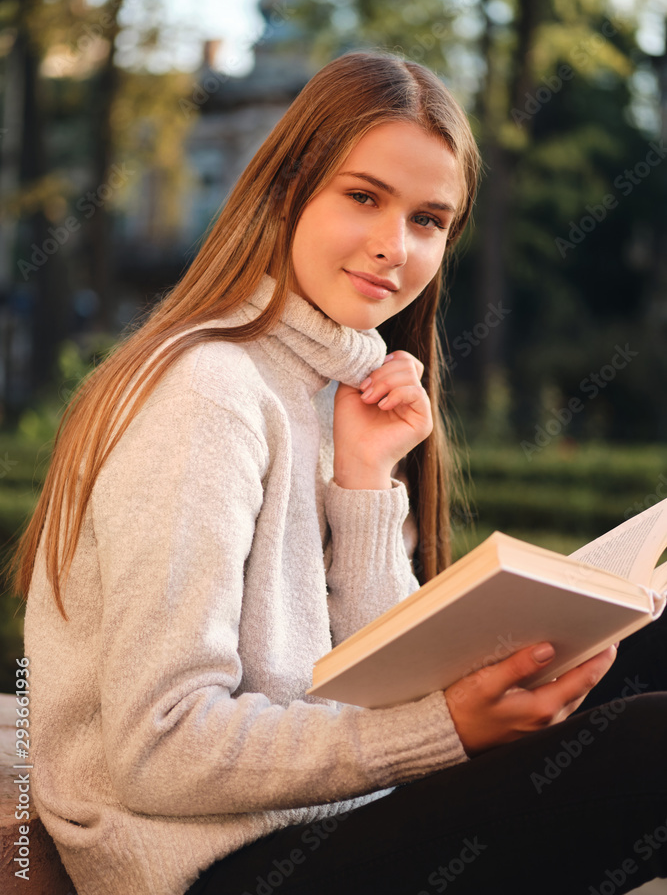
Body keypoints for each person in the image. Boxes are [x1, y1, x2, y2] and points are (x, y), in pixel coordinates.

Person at [9, 51, 666, 895]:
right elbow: (157, 747)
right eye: (363, 196)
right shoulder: (207, 391)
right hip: (213, 866)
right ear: (285, 190)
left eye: (428, 220)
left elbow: (374, 677)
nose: (393, 246)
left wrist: (363, 481)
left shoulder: (338, 391)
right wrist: (443, 730)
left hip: (333, 818)